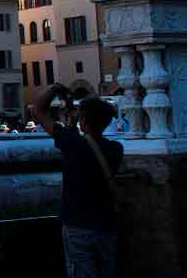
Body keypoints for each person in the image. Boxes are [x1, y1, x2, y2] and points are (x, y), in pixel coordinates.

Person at [32, 83, 123, 278]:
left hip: (77, 225)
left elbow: (37, 110)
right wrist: (74, 125)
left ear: (83, 120)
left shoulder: (72, 144)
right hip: (106, 226)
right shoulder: (116, 149)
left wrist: (56, 89)